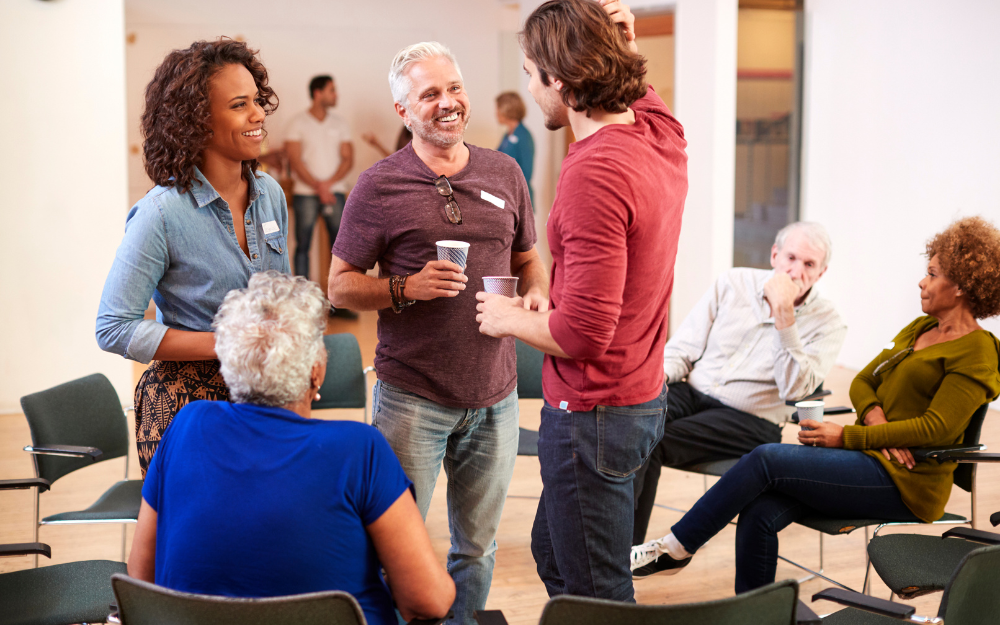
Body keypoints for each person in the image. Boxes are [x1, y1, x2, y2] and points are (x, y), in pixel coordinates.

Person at [630, 215, 1000, 593]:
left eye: (933, 273)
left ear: (960, 286)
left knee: (766, 458)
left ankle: (675, 548)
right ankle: (758, 615)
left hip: (905, 481)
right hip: (869, 459)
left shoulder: (978, 352)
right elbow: (862, 381)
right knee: (759, 510)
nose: (922, 281)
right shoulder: (921, 329)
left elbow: (934, 429)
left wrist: (849, 436)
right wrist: (874, 420)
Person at [327, 41, 548, 624]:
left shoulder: (505, 170)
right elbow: (339, 287)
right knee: (392, 550)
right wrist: (405, 288)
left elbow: (529, 257)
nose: (447, 103)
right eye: (430, 95)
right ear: (404, 111)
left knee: (476, 549)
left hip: (495, 399)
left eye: (454, 89)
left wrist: (537, 293)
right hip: (411, 401)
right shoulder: (379, 187)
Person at [476, 0, 687, 602]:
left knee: (597, 594)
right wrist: (625, 40)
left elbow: (586, 335)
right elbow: (647, 98)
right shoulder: (660, 137)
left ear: (559, 81)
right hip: (641, 400)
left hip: (595, 413)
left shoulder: (595, 170)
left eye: (528, 73)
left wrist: (508, 316)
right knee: (555, 553)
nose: (527, 85)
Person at [127, 272, 455, 625]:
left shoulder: (188, 425)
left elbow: (141, 578)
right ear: (316, 373)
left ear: (228, 364)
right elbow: (429, 602)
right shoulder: (358, 449)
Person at [96, 38, 287, 475]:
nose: (258, 114)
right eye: (240, 105)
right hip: (187, 403)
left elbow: (282, 299)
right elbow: (112, 326)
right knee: (202, 539)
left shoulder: (271, 195)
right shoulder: (161, 214)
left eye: (257, 100)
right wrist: (228, 343)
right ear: (196, 122)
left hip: (264, 392)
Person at [630, 221, 848, 573]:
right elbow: (683, 349)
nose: (797, 271)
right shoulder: (733, 283)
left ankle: (622, 555)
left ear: (821, 273)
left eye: (809, 265)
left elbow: (795, 391)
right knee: (632, 423)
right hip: (692, 391)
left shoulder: (829, 322)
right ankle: (603, 542)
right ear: (775, 255)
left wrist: (784, 316)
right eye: (791, 258)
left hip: (751, 418)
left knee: (653, 441)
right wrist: (649, 384)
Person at [285, 75, 355, 300]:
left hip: (334, 193)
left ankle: (337, 300)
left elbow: (348, 159)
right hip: (305, 193)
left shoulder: (340, 123)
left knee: (340, 248)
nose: (336, 95)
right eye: (332, 90)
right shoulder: (297, 123)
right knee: (302, 245)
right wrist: (318, 186)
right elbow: (294, 161)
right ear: (318, 93)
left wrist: (327, 185)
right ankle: (303, 301)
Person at [496, 92, 535, 206]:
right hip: (506, 196)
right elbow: (496, 158)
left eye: (498, 108)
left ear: (506, 109)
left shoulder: (523, 136)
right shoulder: (507, 135)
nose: (496, 113)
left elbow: (526, 173)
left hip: (519, 198)